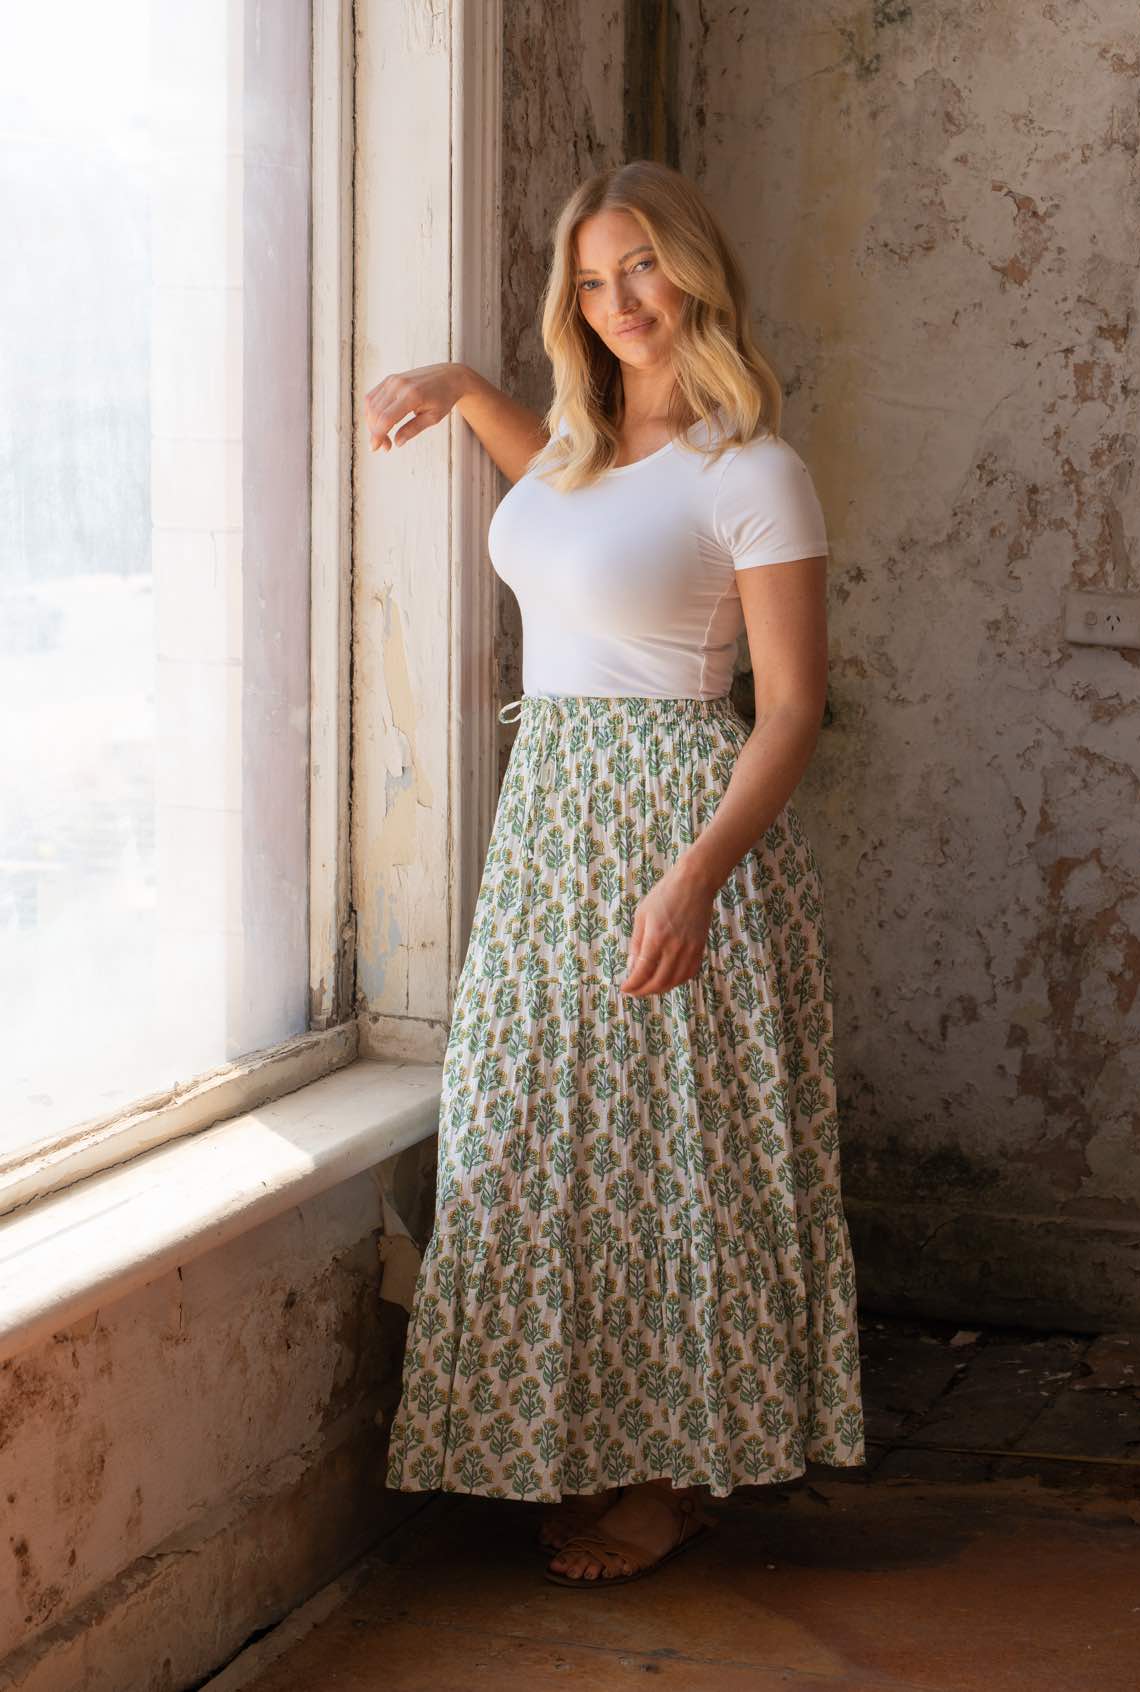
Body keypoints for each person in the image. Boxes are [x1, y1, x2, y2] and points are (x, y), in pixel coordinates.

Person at [363, 158, 866, 1590]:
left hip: (671, 826)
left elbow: (791, 708)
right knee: (539, 1141)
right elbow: (574, 514)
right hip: (548, 836)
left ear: (693, 270)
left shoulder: (754, 468)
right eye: (592, 280)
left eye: (640, 266)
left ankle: (667, 1481)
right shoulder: (581, 450)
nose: (621, 300)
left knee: (676, 1169)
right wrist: (465, 388)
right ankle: (589, 1445)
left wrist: (699, 875)